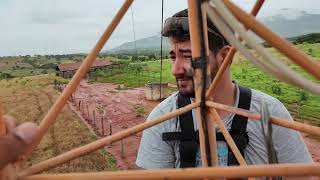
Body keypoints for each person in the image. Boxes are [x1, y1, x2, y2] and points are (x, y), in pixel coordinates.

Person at [136, 8, 312, 171]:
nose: (175, 69)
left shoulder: (269, 113)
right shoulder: (163, 118)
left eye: (188, 56)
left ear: (225, 56)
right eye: (173, 57)